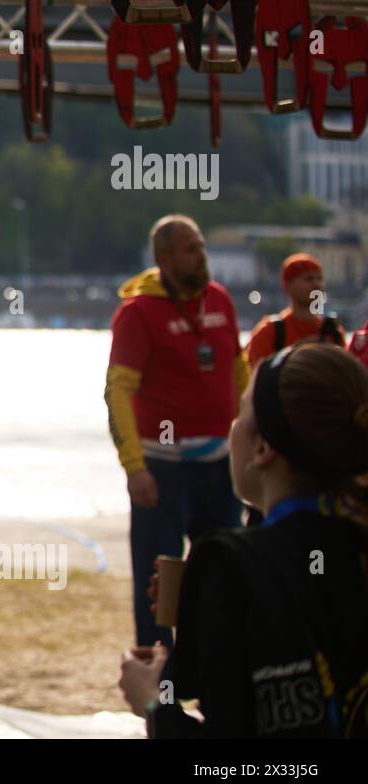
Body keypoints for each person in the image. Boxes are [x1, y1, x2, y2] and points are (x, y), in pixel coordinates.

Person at [118, 343, 368, 736]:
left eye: (241, 412)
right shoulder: (346, 541)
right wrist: (204, 618)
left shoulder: (230, 562)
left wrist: (152, 702)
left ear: (263, 448)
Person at [105, 214, 250, 647]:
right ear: (164, 258)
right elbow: (118, 393)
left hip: (219, 466)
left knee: (224, 574)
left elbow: (237, 372)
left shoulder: (220, 300)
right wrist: (134, 467)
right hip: (162, 469)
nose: (201, 255)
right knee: (159, 585)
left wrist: (251, 440)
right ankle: (159, 691)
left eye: (202, 245)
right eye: (191, 248)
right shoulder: (139, 314)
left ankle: (217, 678)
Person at [244, 252, 346, 368]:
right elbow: (256, 379)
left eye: (320, 279)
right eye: (308, 279)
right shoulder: (269, 333)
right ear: (288, 286)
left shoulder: (334, 333)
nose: (317, 285)